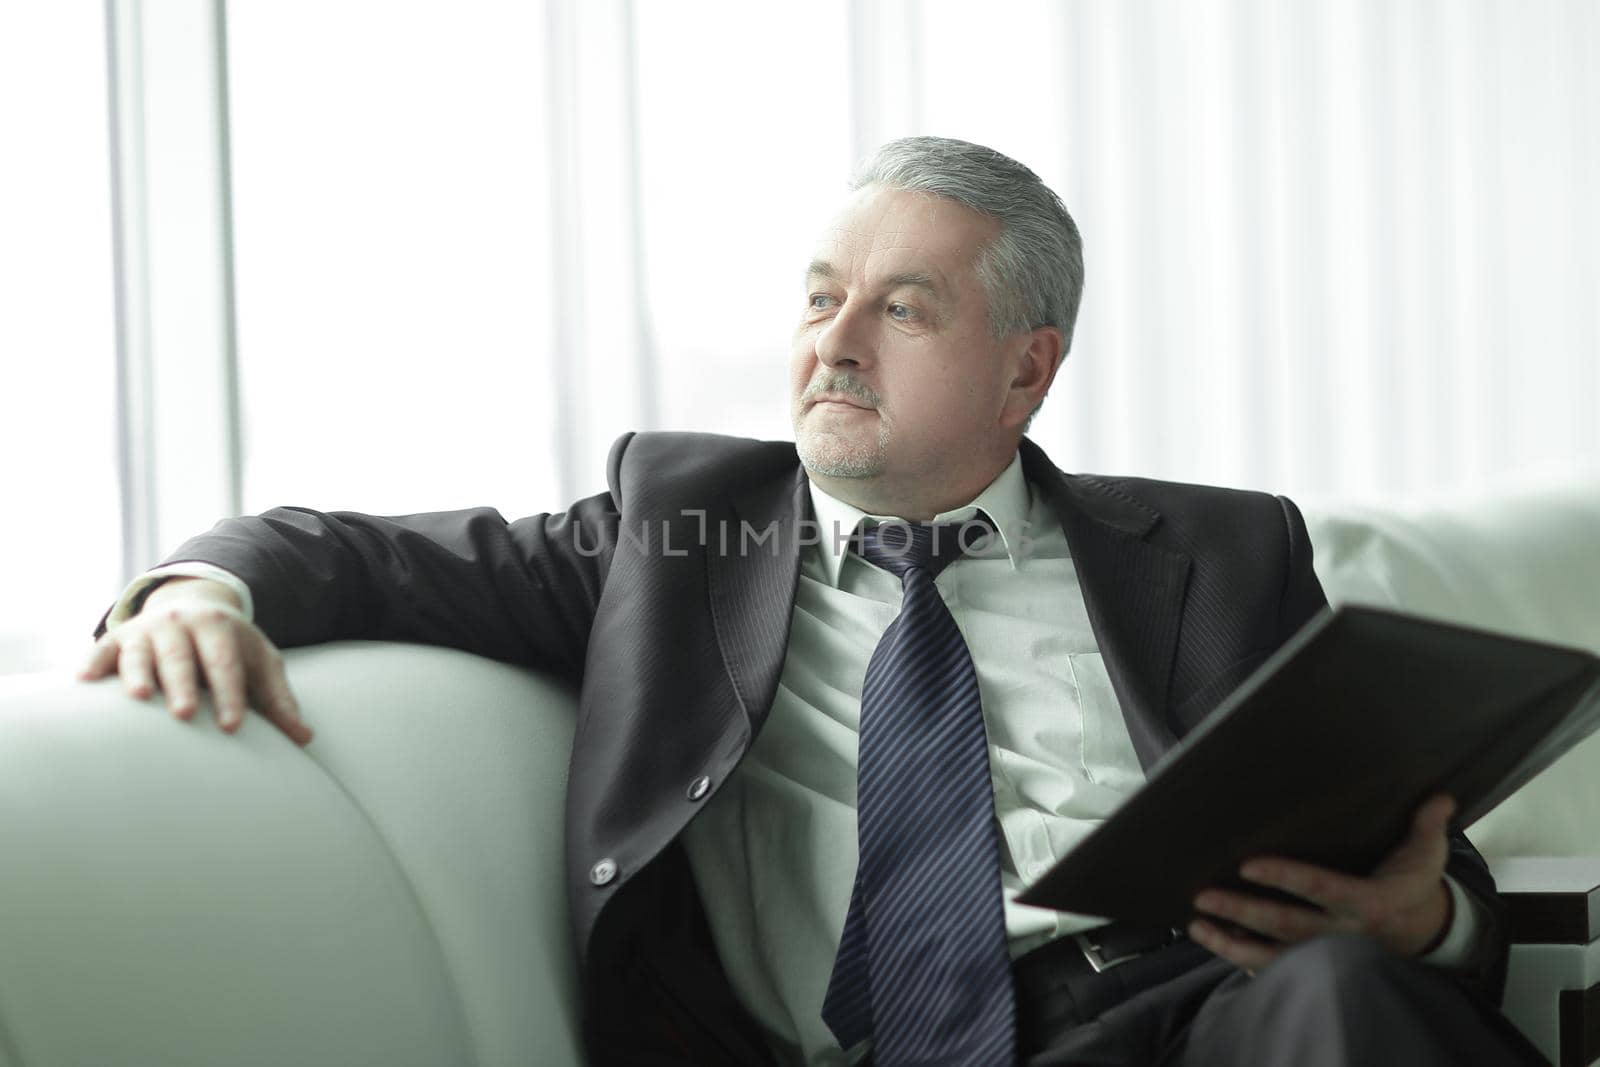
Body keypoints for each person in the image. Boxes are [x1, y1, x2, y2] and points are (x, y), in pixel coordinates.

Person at [81, 136, 1539, 1066]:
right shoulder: (678, 527)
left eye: (902, 307)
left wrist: (1425, 925)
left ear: (1026, 369)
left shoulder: (1222, 553)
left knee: (1349, 1007)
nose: (834, 343)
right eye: (819, 296)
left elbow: (1404, 849)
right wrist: (202, 588)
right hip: (872, 1046)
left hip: (1196, 1013)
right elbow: (345, 546)